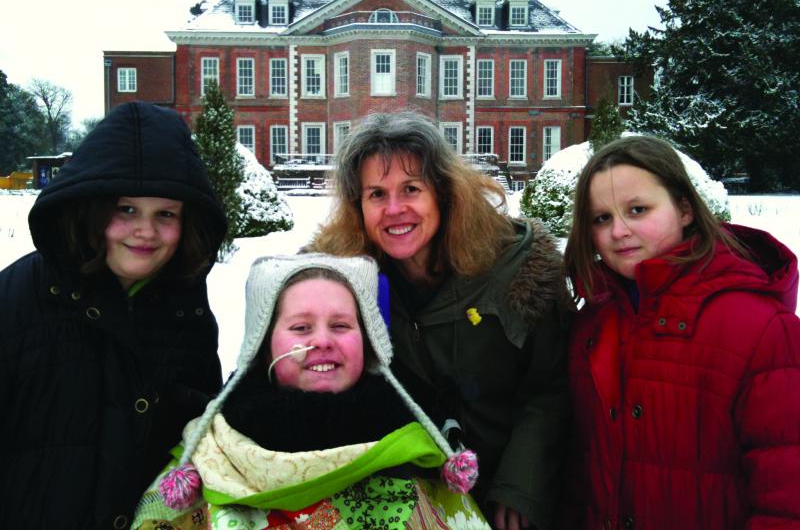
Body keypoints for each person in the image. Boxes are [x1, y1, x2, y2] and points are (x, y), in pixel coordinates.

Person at [307, 112, 571, 530]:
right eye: (376, 194)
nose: (394, 210)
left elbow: (552, 388)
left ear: (443, 194)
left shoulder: (517, 268)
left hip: (508, 490)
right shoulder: (337, 280)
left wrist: (521, 486)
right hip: (405, 499)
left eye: (411, 189)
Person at [133, 253, 490, 529]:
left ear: (367, 344)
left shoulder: (419, 455)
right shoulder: (208, 458)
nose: (322, 340)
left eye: (340, 325)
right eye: (301, 327)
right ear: (265, 345)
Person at [0, 102, 227, 527]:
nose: (145, 231)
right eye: (126, 210)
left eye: (165, 214)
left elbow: (198, 442)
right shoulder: (15, 303)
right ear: (91, 208)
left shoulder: (187, 314)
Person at [563, 135, 800, 529]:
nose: (618, 231)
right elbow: (580, 471)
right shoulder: (592, 323)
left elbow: (788, 495)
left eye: (638, 210)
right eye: (601, 218)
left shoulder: (760, 327)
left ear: (685, 209)